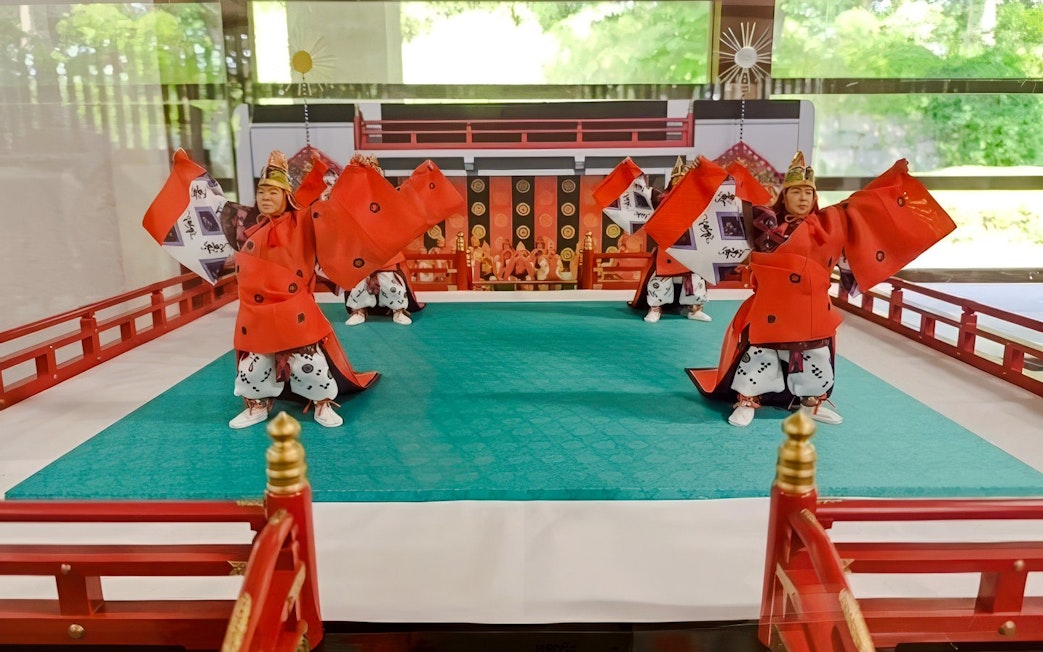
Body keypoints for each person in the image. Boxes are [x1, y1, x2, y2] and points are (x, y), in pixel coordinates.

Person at [688, 151, 956, 427]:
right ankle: (747, 400)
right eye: (796, 192)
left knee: (812, 355)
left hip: (812, 307)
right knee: (761, 353)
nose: (803, 198)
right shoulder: (764, 221)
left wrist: (895, 177)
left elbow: (868, 203)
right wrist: (707, 172)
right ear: (784, 196)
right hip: (772, 304)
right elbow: (729, 202)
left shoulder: (832, 222)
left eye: (808, 192)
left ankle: (810, 404)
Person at [228, 150, 379, 429]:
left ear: (287, 196)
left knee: (309, 364)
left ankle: (322, 403)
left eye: (273, 192)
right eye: (262, 192)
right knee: (254, 366)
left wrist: (358, 173)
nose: (265, 197)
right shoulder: (251, 232)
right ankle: (257, 405)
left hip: (294, 308)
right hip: (257, 312)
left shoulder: (304, 221)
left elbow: (336, 208)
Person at [630, 159, 713, 324]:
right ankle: (655, 308)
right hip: (667, 246)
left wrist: (700, 171)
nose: (681, 183)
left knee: (695, 278)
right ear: (672, 182)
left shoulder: (696, 200)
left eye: (684, 180)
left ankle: (695, 309)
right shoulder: (662, 198)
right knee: (661, 278)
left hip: (691, 246)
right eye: (678, 180)